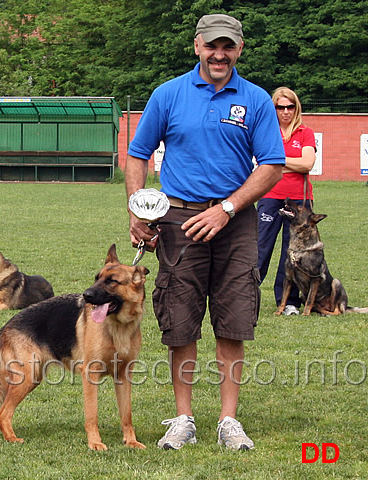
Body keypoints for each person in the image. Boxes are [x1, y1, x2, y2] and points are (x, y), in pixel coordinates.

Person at [125, 13, 285, 451]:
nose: (219, 54)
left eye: (227, 46)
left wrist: (227, 209)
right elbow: (137, 154)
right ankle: (184, 419)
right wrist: (138, 207)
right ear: (197, 46)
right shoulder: (169, 93)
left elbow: (272, 164)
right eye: (211, 46)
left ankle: (229, 421)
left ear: (239, 49)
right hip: (178, 221)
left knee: (233, 321)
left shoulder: (254, 100)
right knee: (180, 321)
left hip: (235, 223)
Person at [257, 87, 316, 315]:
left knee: (292, 252)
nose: (285, 111)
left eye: (290, 107)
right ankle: (249, 294)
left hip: (299, 200)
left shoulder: (305, 132)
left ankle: (289, 301)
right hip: (270, 196)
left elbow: (307, 164)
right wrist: (292, 161)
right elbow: (262, 159)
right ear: (274, 109)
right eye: (280, 107)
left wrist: (276, 159)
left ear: (296, 108)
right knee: (261, 248)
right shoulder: (265, 131)